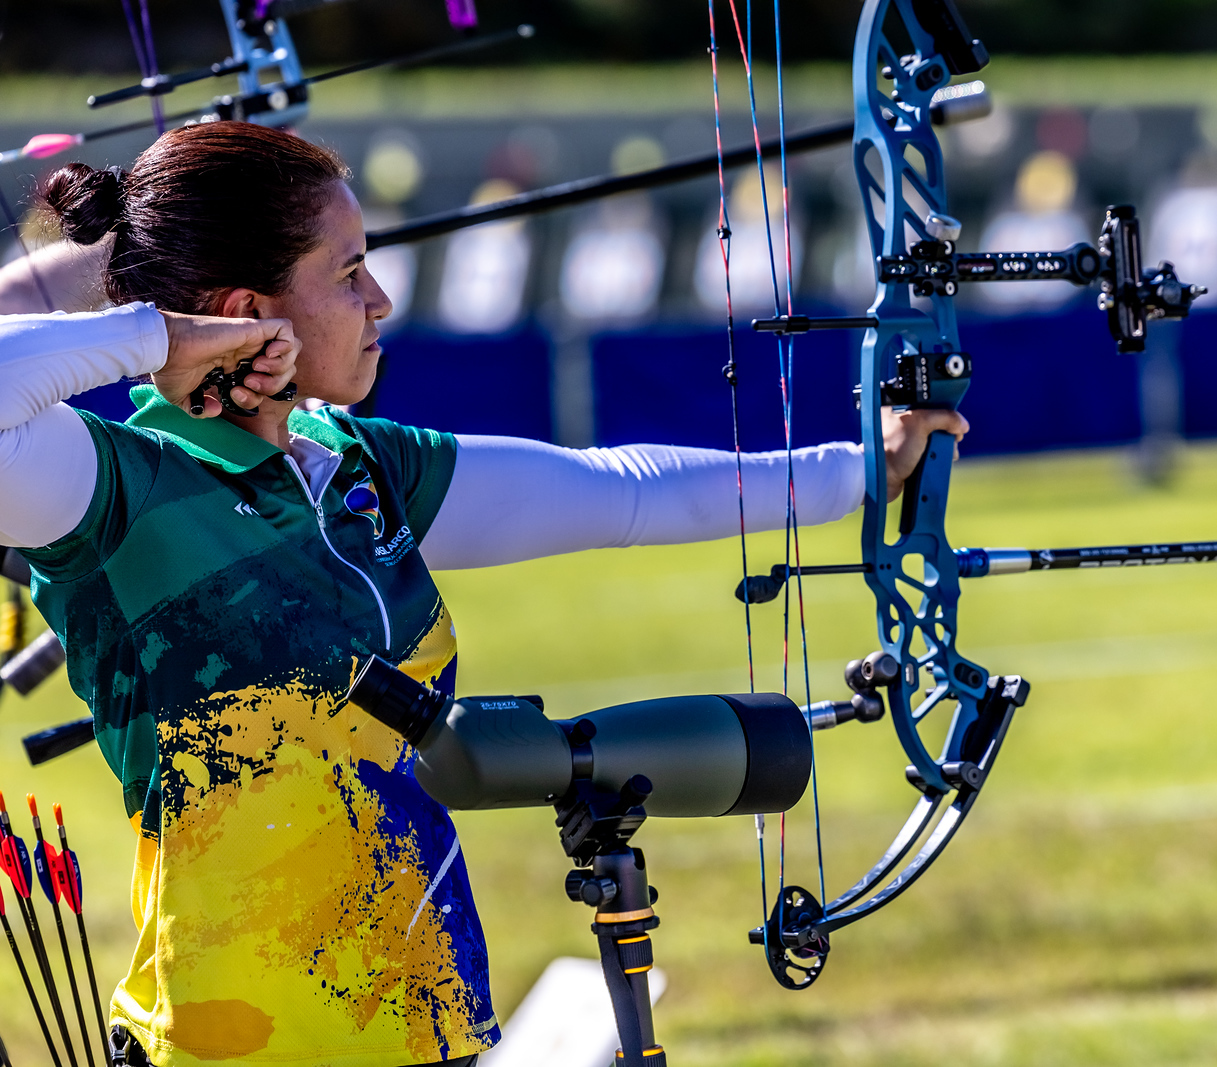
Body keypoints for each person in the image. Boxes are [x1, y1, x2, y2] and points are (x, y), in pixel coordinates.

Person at [0, 121, 966, 1067]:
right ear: (246, 311)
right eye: (348, 273)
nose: (380, 300)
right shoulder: (117, 489)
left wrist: (862, 469)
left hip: (433, 1031)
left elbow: (621, 492)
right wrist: (156, 335)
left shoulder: (358, 465)